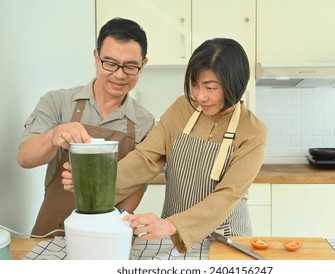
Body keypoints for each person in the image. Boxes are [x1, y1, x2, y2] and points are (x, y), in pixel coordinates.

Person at [63, 38, 268, 253]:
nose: (200, 96)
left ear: (234, 84)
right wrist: (96, 183)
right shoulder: (182, 108)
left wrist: (171, 225)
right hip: (171, 237)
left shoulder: (253, 131)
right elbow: (146, 158)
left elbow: (228, 194)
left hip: (226, 238)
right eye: (195, 85)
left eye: (211, 88)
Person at [17, 17, 155, 237]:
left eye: (130, 66)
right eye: (109, 63)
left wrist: (111, 224)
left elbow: (138, 184)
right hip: (54, 230)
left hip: (108, 234)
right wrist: (54, 135)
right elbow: (25, 158)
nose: (119, 74)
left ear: (143, 65)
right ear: (95, 57)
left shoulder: (145, 122)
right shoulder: (57, 102)